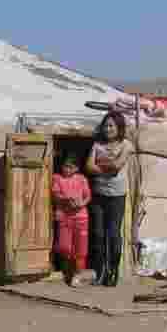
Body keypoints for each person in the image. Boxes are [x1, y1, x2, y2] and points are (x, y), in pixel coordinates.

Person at [85, 111, 135, 287]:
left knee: (113, 233)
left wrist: (101, 165)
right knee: (98, 233)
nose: (108, 129)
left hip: (116, 195)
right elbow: (89, 166)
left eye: (111, 125)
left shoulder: (126, 145)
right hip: (98, 194)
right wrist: (106, 167)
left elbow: (117, 165)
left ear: (119, 127)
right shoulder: (97, 144)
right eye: (106, 125)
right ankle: (100, 271)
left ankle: (113, 271)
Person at [51, 153, 91, 286]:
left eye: (70, 167)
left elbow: (87, 196)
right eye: (65, 166)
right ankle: (67, 270)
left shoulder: (81, 179)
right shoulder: (57, 178)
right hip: (64, 217)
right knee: (64, 247)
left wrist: (81, 203)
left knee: (81, 249)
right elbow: (55, 195)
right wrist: (66, 200)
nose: (66, 169)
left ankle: (77, 275)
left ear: (76, 168)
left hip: (81, 217)